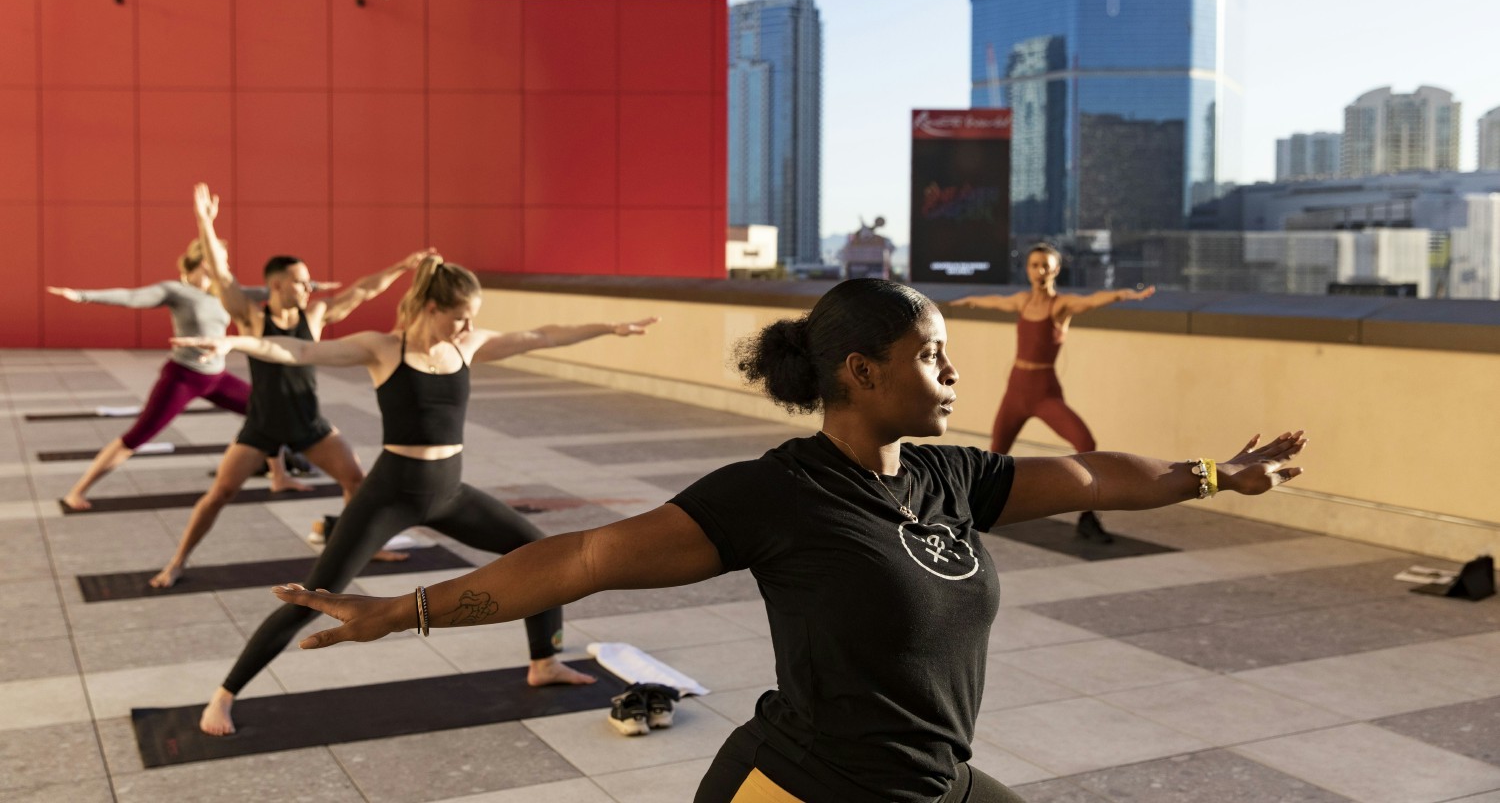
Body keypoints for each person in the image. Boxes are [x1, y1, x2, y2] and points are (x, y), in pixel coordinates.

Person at [267, 278, 1306, 803]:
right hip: (803, 788)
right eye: (932, 357)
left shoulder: (953, 477)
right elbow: (581, 559)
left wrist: (1215, 471)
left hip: (933, 783)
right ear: (860, 371)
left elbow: (1093, 475)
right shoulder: (778, 496)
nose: (952, 376)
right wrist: (397, 612)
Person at [173, 254, 661, 736]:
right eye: (459, 315)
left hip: (449, 494)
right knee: (311, 597)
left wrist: (609, 328)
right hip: (388, 496)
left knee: (541, 556)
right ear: (430, 306)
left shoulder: (468, 345)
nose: (468, 325)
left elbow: (543, 336)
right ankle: (225, 693)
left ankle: (544, 661)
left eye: (472, 317)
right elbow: (299, 352)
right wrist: (232, 342)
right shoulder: (384, 348)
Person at [147, 183, 432, 588]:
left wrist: (403, 267)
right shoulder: (249, 316)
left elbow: (362, 291)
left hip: (308, 424)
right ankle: (176, 562)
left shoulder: (314, 316)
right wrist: (204, 223)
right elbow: (223, 276)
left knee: (357, 482)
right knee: (220, 494)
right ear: (277, 285)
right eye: (301, 281)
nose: (308, 286)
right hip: (261, 426)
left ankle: (360, 549)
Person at [47, 239, 332, 510]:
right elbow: (132, 297)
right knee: (137, 436)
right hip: (183, 378)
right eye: (221, 258)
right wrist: (83, 296)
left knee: (269, 412)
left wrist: (314, 285)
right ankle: (78, 491)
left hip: (217, 377)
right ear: (205, 260)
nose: (226, 264)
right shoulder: (177, 291)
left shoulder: (224, 293)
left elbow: (271, 291)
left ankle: (279, 476)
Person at [952, 243, 1156, 541]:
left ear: (1056, 269)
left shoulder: (1061, 306)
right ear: (1028, 269)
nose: (1040, 271)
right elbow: (993, 301)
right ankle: (962, 517)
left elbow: (1095, 299)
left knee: (1086, 442)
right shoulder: (1022, 301)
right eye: (1034, 265)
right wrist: (962, 302)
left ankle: (1088, 517)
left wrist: (1126, 294)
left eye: (1046, 265)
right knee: (995, 454)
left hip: (1045, 392)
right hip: (1016, 391)